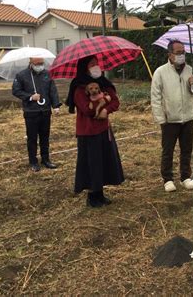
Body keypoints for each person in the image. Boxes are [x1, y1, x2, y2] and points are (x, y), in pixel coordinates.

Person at [65, 56, 124, 208]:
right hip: (88, 132)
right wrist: (104, 100)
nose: (96, 66)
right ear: (85, 67)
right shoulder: (78, 87)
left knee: (103, 161)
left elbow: (116, 101)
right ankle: (92, 196)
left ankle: (100, 193)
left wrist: (106, 109)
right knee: (92, 163)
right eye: (92, 64)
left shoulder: (103, 83)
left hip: (104, 130)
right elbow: (86, 108)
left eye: (97, 63)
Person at [151, 40, 193, 192]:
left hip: (187, 117)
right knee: (168, 150)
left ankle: (185, 177)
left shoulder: (190, 70)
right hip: (169, 120)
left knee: (186, 149)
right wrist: (161, 118)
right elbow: (155, 97)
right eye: (178, 53)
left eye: (183, 52)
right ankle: (167, 179)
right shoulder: (160, 72)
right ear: (170, 55)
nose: (182, 56)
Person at [12, 57, 61, 172]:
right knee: (32, 138)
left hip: (45, 111)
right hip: (31, 112)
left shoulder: (47, 74)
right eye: (37, 63)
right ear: (31, 63)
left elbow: (52, 90)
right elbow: (16, 91)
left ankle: (46, 159)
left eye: (42, 63)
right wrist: (30, 97)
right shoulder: (22, 75)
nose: (40, 65)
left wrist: (56, 105)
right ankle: (33, 161)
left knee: (45, 136)